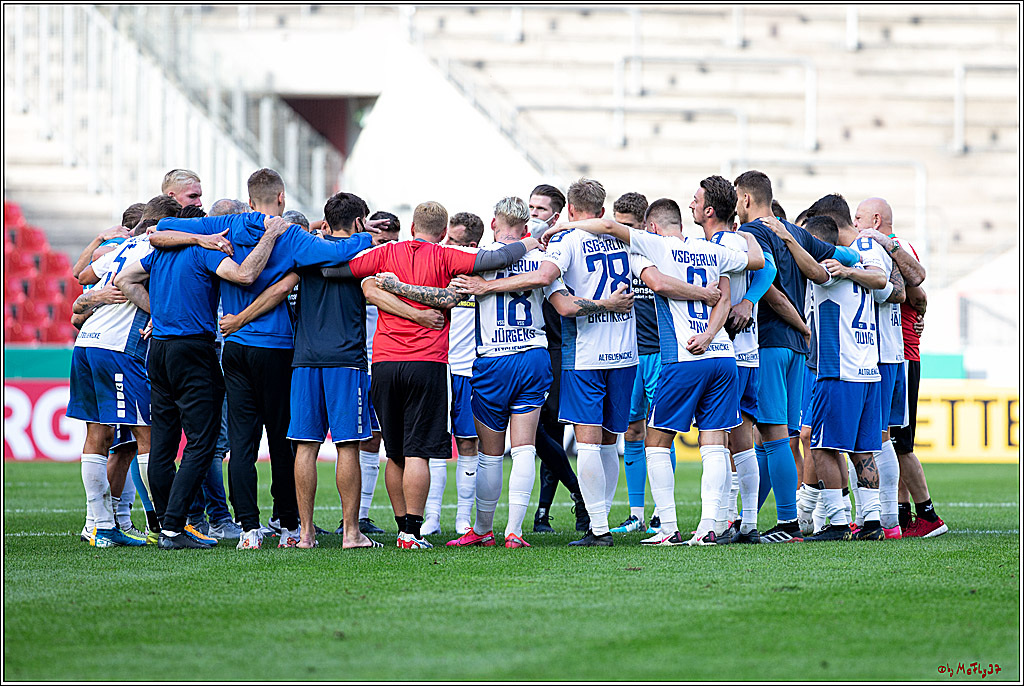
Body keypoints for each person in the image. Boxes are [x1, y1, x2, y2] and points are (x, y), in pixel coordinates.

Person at [382, 196, 634, 547]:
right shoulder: (541, 258)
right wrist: (608, 304)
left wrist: (393, 286)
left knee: (489, 454)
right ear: (525, 226)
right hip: (533, 355)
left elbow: (442, 297)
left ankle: (483, 530)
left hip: (493, 360)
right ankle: (514, 531)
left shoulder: (477, 259)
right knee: (525, 449)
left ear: (494, 223)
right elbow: (563, 305)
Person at [152, 168, 382, 550]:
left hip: (233, 347)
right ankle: (289, 525)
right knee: (282, 441)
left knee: (241, 445)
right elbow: (338, 251)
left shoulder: (225, 225)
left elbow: (161, 228)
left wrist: (200, 237)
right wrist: (364, 235)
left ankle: (248, 529)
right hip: (276, 347)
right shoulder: (289, 235)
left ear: (249, 198)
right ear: (281, 198)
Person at [321, 201, 539, 549]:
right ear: (443, 233)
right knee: (418, 453)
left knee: (394, 453)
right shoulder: (446, 256)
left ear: (411, 228)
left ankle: (401, 530)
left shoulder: (384, 253)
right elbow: (497, 259)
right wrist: (530, 241)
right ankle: (412, 532)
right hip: (428, 362)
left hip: (384, 363)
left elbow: (333, 270)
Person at [543, 205, 764, 545]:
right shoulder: (711, 249)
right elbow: (753, 266)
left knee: (656, 440)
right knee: (714, 442)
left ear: (652, 227)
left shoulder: (655, 246)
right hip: (722, 354)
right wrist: (750, 233)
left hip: (683, 355)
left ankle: (668, 527)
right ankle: (710, 526)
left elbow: (655, 280)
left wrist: (562, 227)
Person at [114, 209, 290, 549]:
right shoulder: (204, 250)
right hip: (193, 350)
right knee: (202, 442)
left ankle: (166, 525)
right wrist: (270, 235)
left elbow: (124, 280)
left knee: (163, 444)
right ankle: (173, 528)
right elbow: (244, 275)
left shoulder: (160, 254)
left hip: (159, 350)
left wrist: (159, 312)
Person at [732, 170, 860, 543]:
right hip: (797, 350)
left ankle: (787, 523)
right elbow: (848, 253)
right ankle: (750, 518)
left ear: (745, 198)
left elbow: (769, 287)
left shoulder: (752, 233)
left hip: (770, 341)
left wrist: (789, 318)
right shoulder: (796, 233)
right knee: (778, 436)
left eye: (738, 198)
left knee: (772, 437)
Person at [775, 215, 888, 541]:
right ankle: (872, 522)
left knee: (822, 448)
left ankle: (838, 523)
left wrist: (789, 238)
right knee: (862, 451)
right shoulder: (861, 269)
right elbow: (882, 280)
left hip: (838, 371)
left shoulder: (831, 268)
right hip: (868, 372)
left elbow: (814, 271)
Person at [853, 199, 946, 537]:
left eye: (859, 217)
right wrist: (921, 314)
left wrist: (919, 315)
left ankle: (928, 515)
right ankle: (901, 514)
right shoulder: (893, 247)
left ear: (876, 220)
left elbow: (917, 291)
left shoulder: (892, 246)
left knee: (898, 442)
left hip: (900, 353)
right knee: (891, 440)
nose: (855, 223)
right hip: (897, 351)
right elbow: (919, 298)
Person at [693, 177, 778, 544]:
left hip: (728, 351)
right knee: (741, 440)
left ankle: (724, 519)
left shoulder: (722, 243)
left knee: (720, 440)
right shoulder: (739, 239)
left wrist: (745, 302)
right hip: (747, 352)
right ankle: (747, 523)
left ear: (710, 209)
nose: (692, 205)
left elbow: (766, 268)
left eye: (696, 200)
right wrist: (750, 300)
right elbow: (768, 268)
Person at [526, 184, 590, 534]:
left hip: (560, 348)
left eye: (540, 209)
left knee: (549, 429)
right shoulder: (523, 247)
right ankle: (576, 495)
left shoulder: (566, 246)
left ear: (557, 215)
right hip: (530, 348)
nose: (533, 214)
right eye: (531, 207)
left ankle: (545, 512)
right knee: (538, 432)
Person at [423, 211, 486, 536]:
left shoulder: (485, 277)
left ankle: (463, 517)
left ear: (472, 247)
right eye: (446, 239)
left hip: (469, 371)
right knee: (435, 444)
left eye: (455, 241)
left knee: (468, 443)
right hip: (437, 366)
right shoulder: (438, 269)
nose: (446, 245)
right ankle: (431, 517)